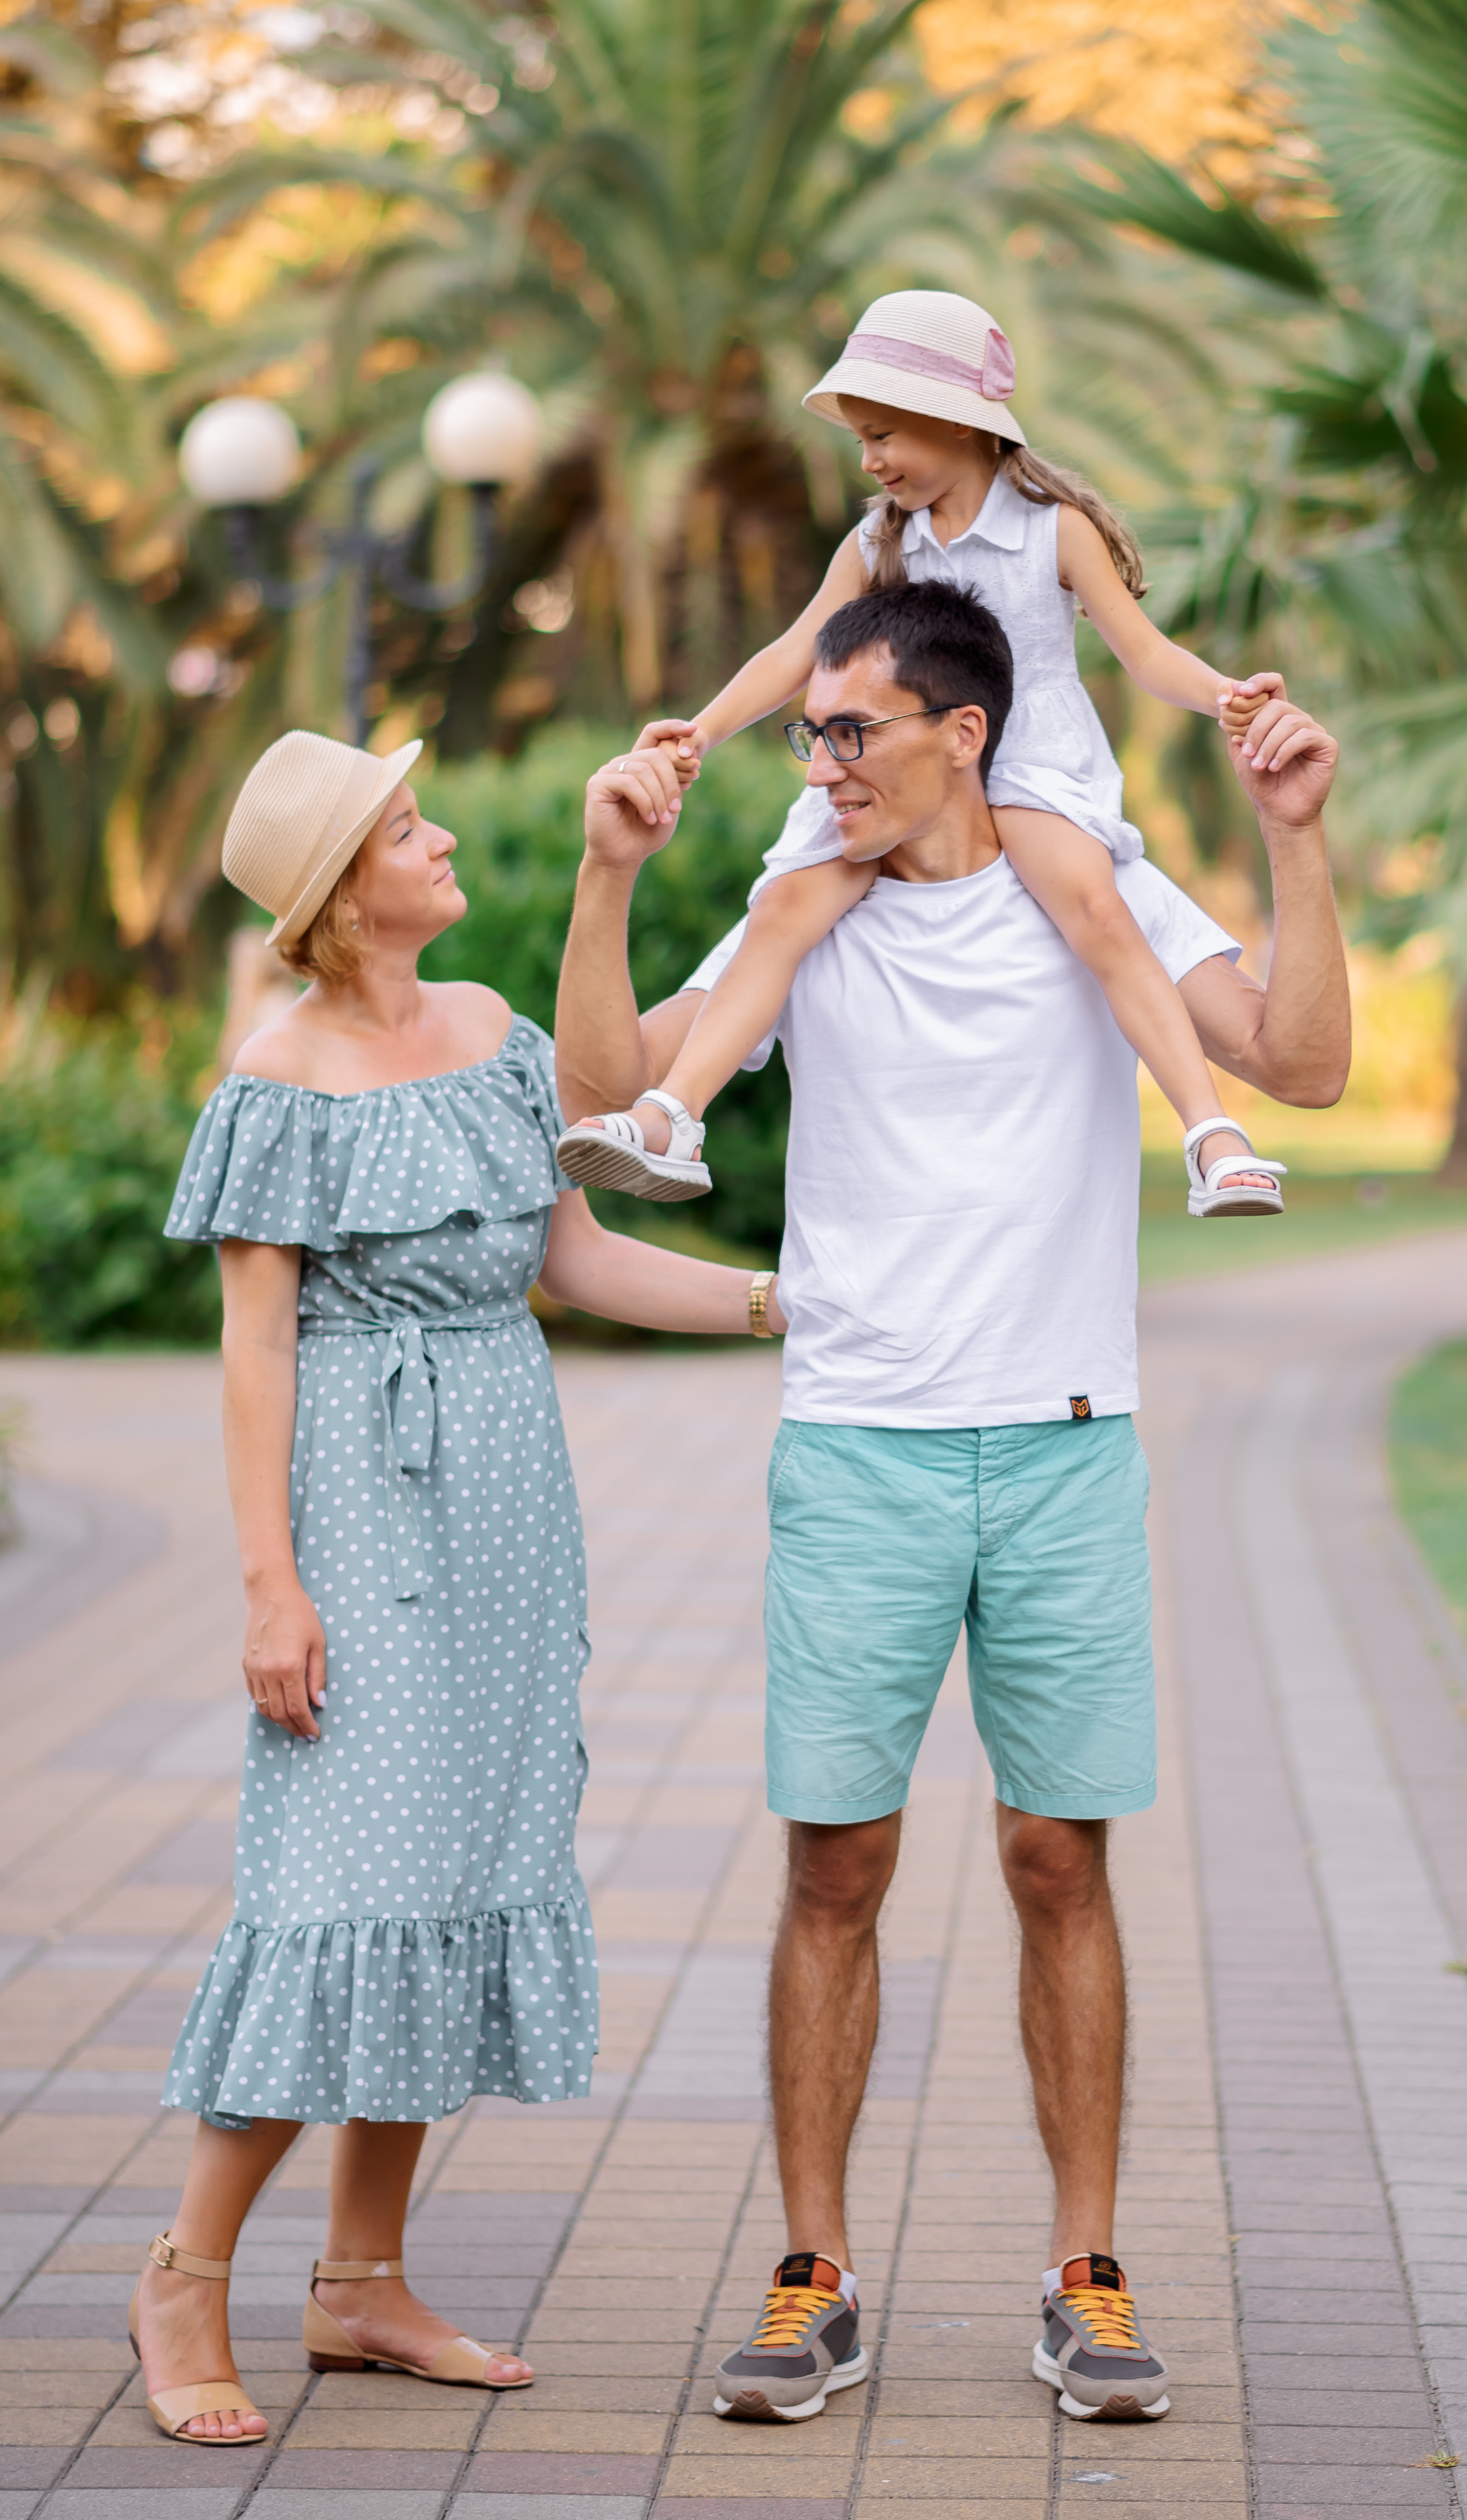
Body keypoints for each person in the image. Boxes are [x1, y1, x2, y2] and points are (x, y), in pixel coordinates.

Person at [555, 580, 1348, 2425]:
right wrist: (606, 884)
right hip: (858, 1446)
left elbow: (1299, 1061)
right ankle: (813, 2267)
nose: (817, 763)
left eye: (850, 731)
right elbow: (609, 1092)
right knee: (836, 1864)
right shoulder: (802, 910)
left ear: (961, 732)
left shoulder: (1090, 887)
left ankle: (1087, 2264)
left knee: (1058, 1859)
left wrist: (1294, 843)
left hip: (1067, 1443)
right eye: (810, 730)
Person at [129, 730, 790, 2446]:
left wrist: (779, 1304)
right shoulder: (273, 1083)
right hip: (355, 1509)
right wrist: (271, 1586)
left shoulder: (496, 1032)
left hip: (506, 1502)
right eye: (408, 827)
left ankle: (361, 2284)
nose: (437, 839)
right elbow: (252, 1351)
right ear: (348, 889)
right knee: (340, 1889)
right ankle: (185, 2275)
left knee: (457, 1871)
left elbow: (570, 1258)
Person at [558, 287, 1300, 1222]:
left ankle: (1211, 1134)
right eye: (860, 440)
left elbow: (1143, 654)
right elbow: (797, 650)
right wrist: (700, 729)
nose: (868, 461)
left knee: (1095, 909)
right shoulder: (881, 538)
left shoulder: (1050, 532)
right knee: (784, 907)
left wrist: (1227, 698)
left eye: (884, 436)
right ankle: (674, 1115)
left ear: (961, 425)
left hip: (1022, 764)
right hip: (890, 767)